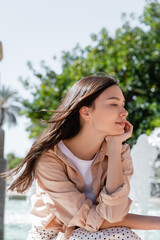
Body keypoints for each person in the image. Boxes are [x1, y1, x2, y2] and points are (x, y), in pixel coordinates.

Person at [2, 76, 160, 240]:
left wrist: (114, 147)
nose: (125, 111)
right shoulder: (49, 159)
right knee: (118, 235)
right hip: (52, 236)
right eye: (114, 104)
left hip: (95, 234)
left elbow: (114, 215)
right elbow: (89, 220)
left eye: (122, 104)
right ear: (85, 112)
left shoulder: (118, 150)